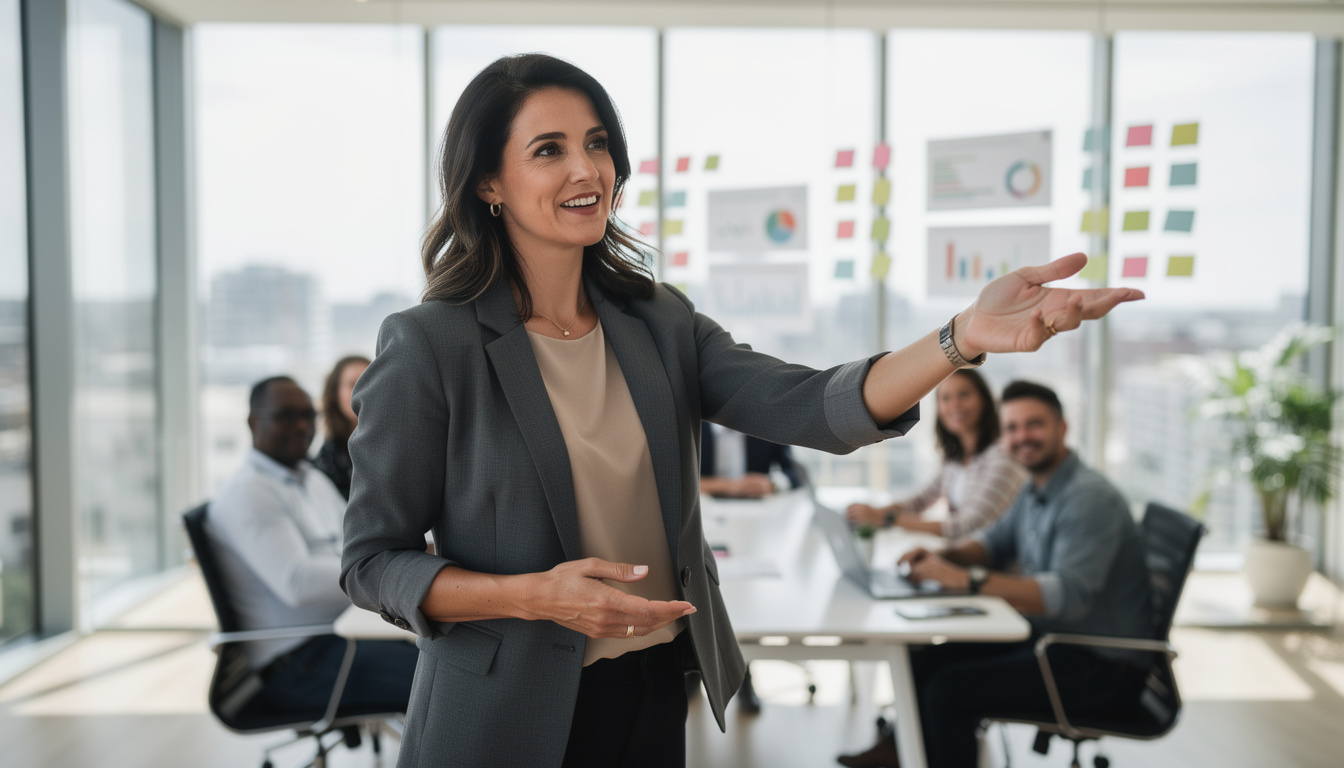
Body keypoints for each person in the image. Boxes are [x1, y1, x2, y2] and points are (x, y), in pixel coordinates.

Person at [338, 53, 1142, 768]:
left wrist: (961, 337)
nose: (587, 169)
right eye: (548, 150)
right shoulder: (430, 344)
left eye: (597, 143)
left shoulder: (657, 321)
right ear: (488, 183)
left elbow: (811, 405)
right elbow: (372, 562)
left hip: (652, 687)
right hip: (501, 713)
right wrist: (530, 595)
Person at [838, 381, 1152, 768]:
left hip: (1100, 668)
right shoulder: (1038, 485)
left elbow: (1067, 596)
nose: (1023, 437)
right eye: (1013, 428)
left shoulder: (1088, 498)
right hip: (1051, 639)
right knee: (919, 661)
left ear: (1062, 428)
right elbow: (993, 543)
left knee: (947, 691)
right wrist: (944, 558)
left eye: (1034, 425)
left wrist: (966, 580)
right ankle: (904, 753)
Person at [206, 376, 418, 719]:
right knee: (441, 682)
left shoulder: (309, 477)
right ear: (252, 422)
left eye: (309, 415)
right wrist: (389, 573)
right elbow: (298, 583)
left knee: (449, 657)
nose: (303, 426)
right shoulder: (249, 493)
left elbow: (357, 544)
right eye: (287, 416)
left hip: (343, 632)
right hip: (300, 663)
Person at [846, 369, 1027, 539]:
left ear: (984, 400)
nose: (954, 405)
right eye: (945, 398)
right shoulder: (955, 459)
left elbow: (966, 526)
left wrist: (886, 519)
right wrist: (873, 513)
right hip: (960, 560)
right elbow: (918, 501)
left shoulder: (1002, 457)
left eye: (964, 394)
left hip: (992, 568)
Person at [313, 354, 371, 500]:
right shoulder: (326, 463)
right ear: (335, 395)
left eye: (371, 381)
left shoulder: (401, 444)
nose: (364, 391)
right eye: (353, 384)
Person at [699, 423, 803, 498]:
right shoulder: (691, 427)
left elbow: (796, 472)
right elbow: (684, 481)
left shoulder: (767, 427)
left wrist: (771, 484)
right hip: (704, 508)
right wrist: (730, 486)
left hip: (756, 507)